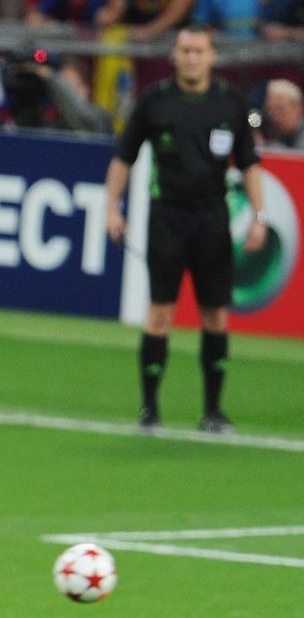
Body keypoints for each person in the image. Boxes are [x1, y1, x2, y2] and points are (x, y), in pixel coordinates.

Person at [105, 25, 266, 434]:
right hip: (167, 219)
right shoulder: (155, 101)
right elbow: (124, 158)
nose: (191, 57)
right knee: (160, 313)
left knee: (215, 314)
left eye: (199, 50)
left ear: (212, 56)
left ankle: (212, 411)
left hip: (213, 219)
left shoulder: (230, 103)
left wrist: (259, 218)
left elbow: (249, 164)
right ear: (174, 55)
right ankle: (149, 409)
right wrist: (112, 208)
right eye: (184, 50)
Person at [261, 79, 302, 148]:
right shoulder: (270, 130)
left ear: (297, 108)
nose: (275, 117)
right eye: (270, 110)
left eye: (280, 110)